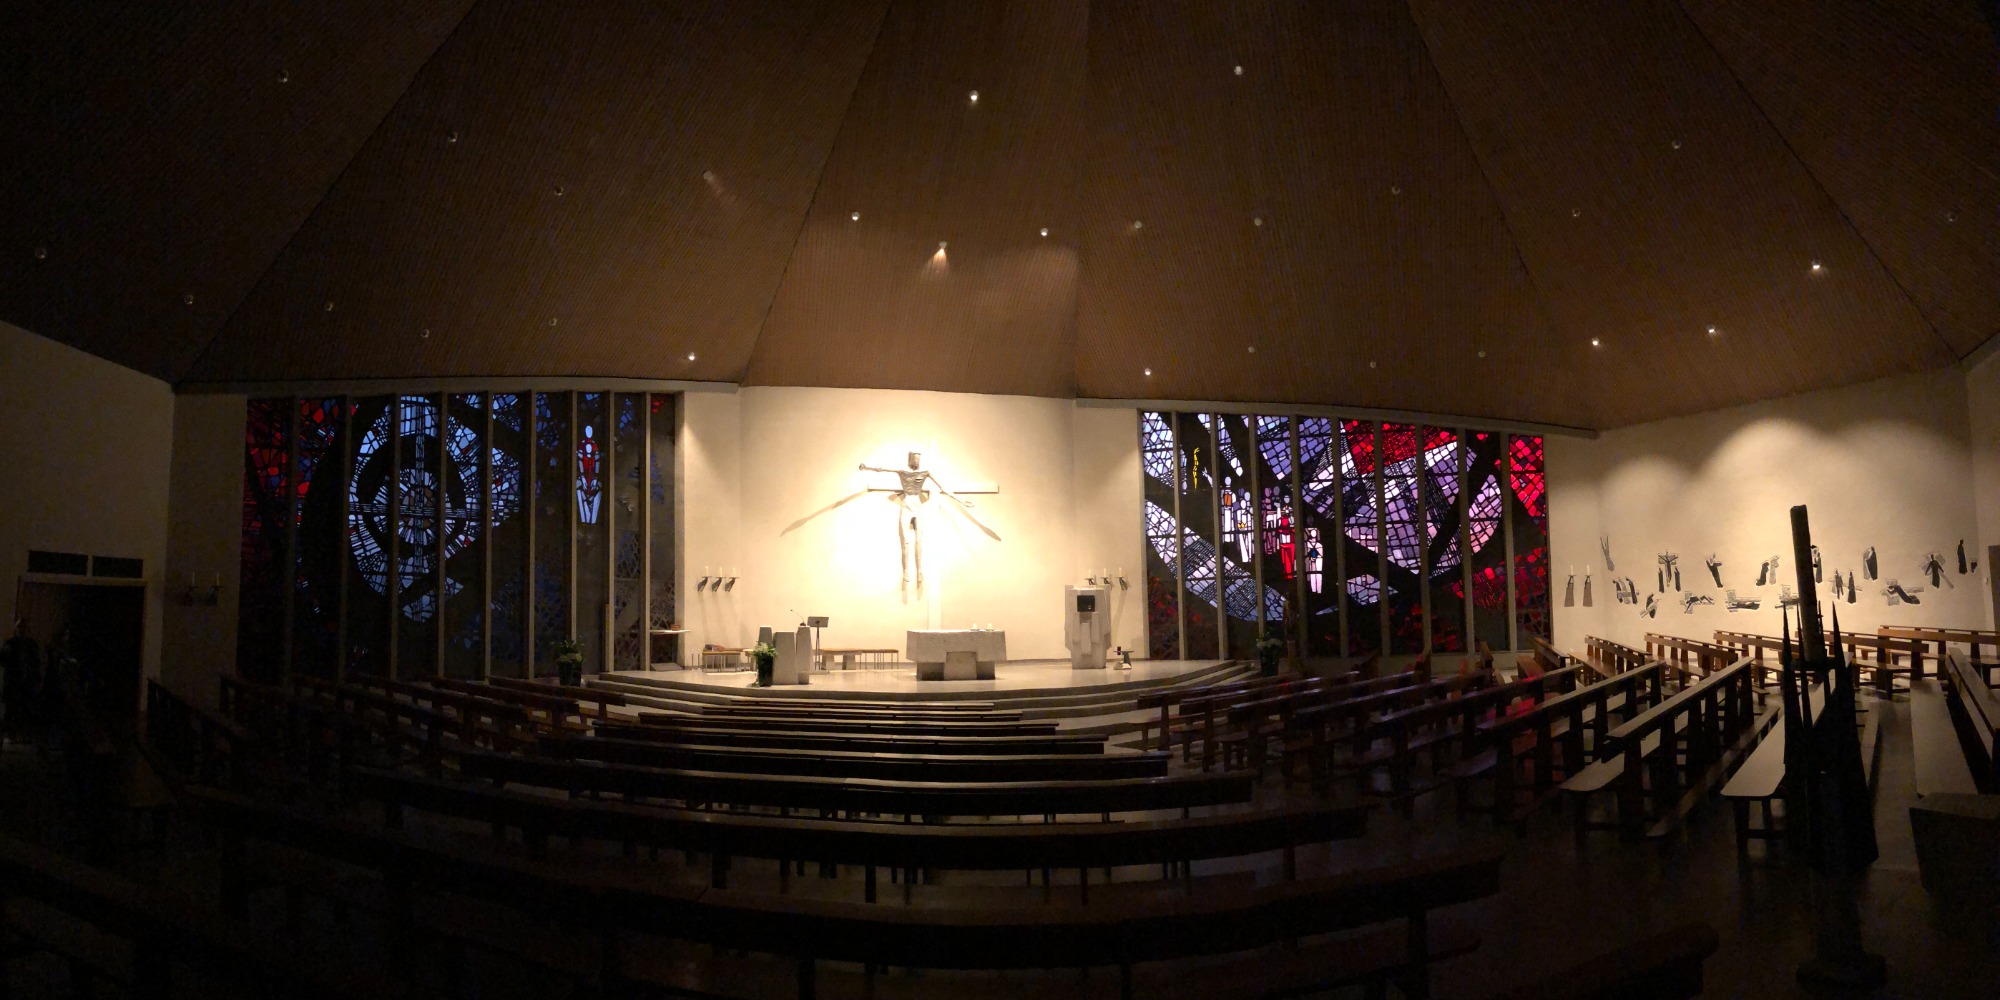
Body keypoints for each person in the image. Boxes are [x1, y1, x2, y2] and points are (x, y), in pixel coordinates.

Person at [1, 618, 42, 745]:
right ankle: (10, 735)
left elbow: (36, 664)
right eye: (19, 627)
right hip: (13, 684)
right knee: (11, 710)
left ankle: (23, 735)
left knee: (25, 711)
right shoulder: (10, 643)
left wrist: (35, 680)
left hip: (27, 685)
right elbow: (2, 662)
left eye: (24, 627)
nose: (21, 630)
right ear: (15, 628)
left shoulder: (32, 644)